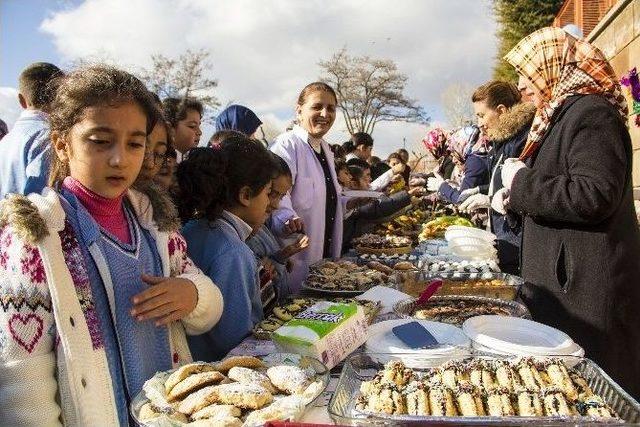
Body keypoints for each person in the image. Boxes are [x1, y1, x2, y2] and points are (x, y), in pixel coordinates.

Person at [0, 66, 222, 426]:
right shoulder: (36, 237)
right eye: (100, 141)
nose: (120, 159)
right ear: (61, 143)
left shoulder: (156, 224)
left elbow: (210, 304)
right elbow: (23, 383)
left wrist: (191, 295)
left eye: (135, 143)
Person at [502, 26, 640, 398]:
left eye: (526, 73)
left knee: (599, 395)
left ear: (552, 67)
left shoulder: (591, 113)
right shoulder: (561, 115)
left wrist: (520, 185)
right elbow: (558, 191)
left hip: (587, 291)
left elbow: (594, 194)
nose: (521, 85)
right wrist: (512, 199)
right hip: (566, 286)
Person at [178, 140, 274, 361]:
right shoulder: (234, 252)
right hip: (216, 370)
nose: (270, 202)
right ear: (246, 195)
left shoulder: (192, 227)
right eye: (268, 193)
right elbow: (233, 339)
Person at [270, 82, 346, 290]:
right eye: (317, 106)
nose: (325, 113)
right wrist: (287, 220)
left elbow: (326, 199)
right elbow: (277, 195)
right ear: (299, 110)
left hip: (326, 260)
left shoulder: (326, 149)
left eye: (331, 108)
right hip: (296, 256)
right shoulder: (286, 145)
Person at [459, 80, 534, 274]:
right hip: (505, 241)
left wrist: (491, 199)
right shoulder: (502, 142)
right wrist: (483, 193)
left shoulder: (522, 141)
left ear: (501, 110)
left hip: (519, 246)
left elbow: (528, 190)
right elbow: (499, 184)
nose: (480, 124)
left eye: (481, 115)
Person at [247, 153, 309, 303]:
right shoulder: (238, 241)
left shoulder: (261, 225)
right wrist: (269, 269)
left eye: (281, 197)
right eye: (271, 194)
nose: (275, 204)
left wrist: (280, 257)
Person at [0, 62, 63, 197]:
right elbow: (41, 199)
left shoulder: (5, 141)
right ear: (62, 98)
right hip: (31, 217)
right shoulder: (49, 137)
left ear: (21, 100)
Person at [342, 162, 423, 253]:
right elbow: (379, 207)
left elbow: (375, 190)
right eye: (367, 176)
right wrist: (408, 196)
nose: (370, 179)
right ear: (354, 184)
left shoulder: (359, 195)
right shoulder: (352, 200)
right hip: (346, 249)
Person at [428, 126, 490, 204]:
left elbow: (461, 199)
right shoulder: (479, 156)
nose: (453, 160)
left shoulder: (475, 161)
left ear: (462, 145)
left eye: (455, 153)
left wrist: (441, 186)